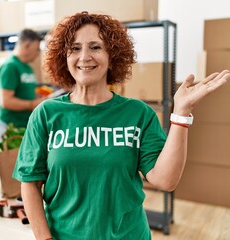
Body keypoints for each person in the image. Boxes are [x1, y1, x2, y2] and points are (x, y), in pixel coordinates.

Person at [12, 12, 229, 240]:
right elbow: (30, 183)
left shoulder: (138, 114)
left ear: (112, 54)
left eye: (95, 47)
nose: (84, 56)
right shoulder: (46, 114)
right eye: (75, 48)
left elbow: (165, 180)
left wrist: (181, 113)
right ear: (63, 57)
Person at [0, 28, 46, 140]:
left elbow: (27, 92)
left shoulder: (27, 67)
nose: (38, 53)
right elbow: (6, 101)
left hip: (24, 126)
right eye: (37, 49)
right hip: (10, 128)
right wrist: (33, 104)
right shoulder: (10, 66)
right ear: (27, 45)